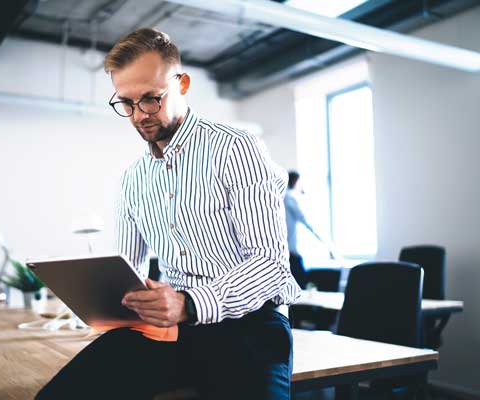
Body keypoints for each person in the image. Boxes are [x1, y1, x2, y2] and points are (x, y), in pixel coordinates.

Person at [36, 28, 300, 400]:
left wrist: (188, 303)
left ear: (183, 84)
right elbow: (128, 269)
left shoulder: (236, 149)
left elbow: (271, 267)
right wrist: (101, 296)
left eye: (151, 99)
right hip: (173, 328)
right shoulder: (133, 180)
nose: (138, 115)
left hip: (250, 327)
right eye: (126, 103)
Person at [284, 170, 335, 288]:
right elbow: (309, 223)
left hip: (289, 255)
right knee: (301, 290)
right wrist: (329, 245)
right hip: (292, 255)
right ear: (296, 182)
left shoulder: (283, 197)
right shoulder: (291, 197)